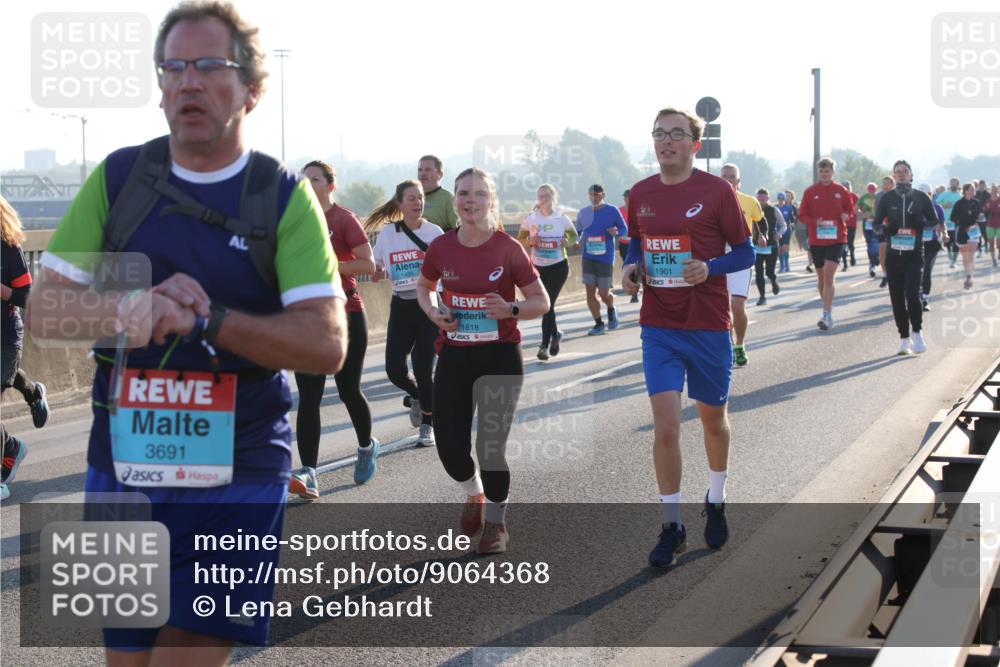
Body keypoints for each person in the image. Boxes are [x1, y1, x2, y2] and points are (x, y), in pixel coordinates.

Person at [28, 2, 347, 661]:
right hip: (121, 460)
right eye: (172, 66)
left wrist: (210, 320)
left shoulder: (282, 197)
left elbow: (326, 343)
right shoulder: (120, 179)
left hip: (241, 461)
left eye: (209, 65)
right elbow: (43, 311)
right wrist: (130, 308)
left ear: (253, 90)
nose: (187, 82)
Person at [622, 107, 753, 569]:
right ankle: (671, 524)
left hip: (707, 322)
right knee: (666, 425)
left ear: (694, 145)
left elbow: (746, 251)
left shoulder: (716, 191)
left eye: (676, 133)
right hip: (659, 324)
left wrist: (709, 267)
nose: (666, 141)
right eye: (659, 133)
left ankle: (716, 496)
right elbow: (637, 241)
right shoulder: (640, 193)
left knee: (713, 421)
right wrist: (631, 267)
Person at [416, 167, 550, 554]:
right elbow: (424, 288)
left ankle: (496, 524)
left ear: (490, 200)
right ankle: (474, 493)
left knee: (490, 447)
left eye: (477, 194)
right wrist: (432, 313)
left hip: (499, 357)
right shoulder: (441, 247)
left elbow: (540, 302)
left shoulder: (508, 248)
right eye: (463, 194)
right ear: (454, 199)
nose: (469, 200)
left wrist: (509, 308)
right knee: (450, 449)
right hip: (455, 354)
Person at [290, 160, 377, 498]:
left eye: (314, 179)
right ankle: (309, 473)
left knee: (347, 389)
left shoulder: (343, 219)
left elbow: (368, 264)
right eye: (303, 180)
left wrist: (329, 265)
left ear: (330, 185)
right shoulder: (292, 221)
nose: (308, 185)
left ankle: (367, 446)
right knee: (309, 396)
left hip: (347, 312)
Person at [369, 179, 443, 447]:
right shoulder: (388, 234)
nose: (418, 203)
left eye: (421, 197)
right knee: (394, 370)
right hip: (401, 306)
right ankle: (420, 396)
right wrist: (376, 271)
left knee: (424, 368)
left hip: (428, 306)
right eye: (411, 198)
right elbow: (375, 263)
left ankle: (427, 424)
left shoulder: (434, 233)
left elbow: (448, 268)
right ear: (400, 204)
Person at [1, 196, 51, 501]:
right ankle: (11, 447)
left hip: (4, 337)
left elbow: (28, 296)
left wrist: (3, 291)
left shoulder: (8, 247)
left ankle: (1, 476)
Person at [873, 161, 939, 355]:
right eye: (897, 172)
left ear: (911, 175)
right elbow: (875, 225)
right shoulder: (886, 198)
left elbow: (934, 221)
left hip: (914, 254)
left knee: (912, 294)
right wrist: (887, 230)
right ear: (894, 176)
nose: (901, 175)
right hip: (893, 256)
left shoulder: (921, 197)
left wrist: (922, 224)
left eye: (904, 172)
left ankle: (917, 332)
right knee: (897, 299)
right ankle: (904, 338)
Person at [517, 184, 576, 360]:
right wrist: (530, 241)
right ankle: (555, 334)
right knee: (547, 304)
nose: (543, 199)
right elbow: (520, 239)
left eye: (547, 196)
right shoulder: (531, 218)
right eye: (541, 196)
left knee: (547, 304)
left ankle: (543, 345)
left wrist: (568, 242)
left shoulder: (561, 219)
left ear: (553, 198)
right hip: (538, 267)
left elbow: (574, 236)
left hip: (558, 266)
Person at [798, 157, 854, 330]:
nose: (824, 174)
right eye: (821, 171)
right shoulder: (810, 192)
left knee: (829, 275)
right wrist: (815, 222)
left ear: (832, 172)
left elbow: (850, 209)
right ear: (818, 173)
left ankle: (827, 315)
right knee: (821, 277)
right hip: (817, 240)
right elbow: (801, 215)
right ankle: (826, 307)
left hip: (837, 238)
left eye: (827, 171)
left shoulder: (841, 190)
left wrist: (846, 216)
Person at [719, 163, 763, 366]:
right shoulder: (712, 201)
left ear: (738, 181)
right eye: (724, 176)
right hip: (718, 258)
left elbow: (762, 222)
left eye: (732, 177)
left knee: (737, 305)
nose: (728, 180)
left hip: (740, 257)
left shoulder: (749, 202)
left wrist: (763, 235)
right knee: (721, 308)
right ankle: (727, 346)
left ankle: (740, 343)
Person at [575, 184, 627, 335]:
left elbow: (624, 229)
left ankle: (611, 309)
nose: (594, 197)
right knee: (590, 293)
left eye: (597, 195)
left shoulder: (612, 211)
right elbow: (577, 232)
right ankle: (598, 323)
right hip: (588, 257)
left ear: (603, 195)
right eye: (591, 194)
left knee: (604, 293)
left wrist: (616, 231)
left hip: (605, 257)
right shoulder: (583, 213)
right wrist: (577, 241)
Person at [917, 183, 948, 311]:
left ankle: (925, 298)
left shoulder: (937, 208)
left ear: (931, 194)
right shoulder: (913, 208)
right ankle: (916, 295)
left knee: (927, 270)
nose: (925, 198)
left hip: (932, 244)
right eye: (921, 195)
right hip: (916, 244)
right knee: (917, 271)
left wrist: (945, 234)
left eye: (927, 195)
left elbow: (942, 224)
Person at [753, 188, 782, 306]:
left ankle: (773, 281)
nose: (761, 201)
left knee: (769, 272)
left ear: (768, 199)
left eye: (763, 199)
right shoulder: (753, 210)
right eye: (759, 199)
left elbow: (783, 224)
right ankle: (762, 297)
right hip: (757, 245)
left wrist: (779, 234)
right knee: (758, 272)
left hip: (771, 245)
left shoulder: (774, 210)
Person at [951, 183, 982, 289]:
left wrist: (980, 217)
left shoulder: (976, 202)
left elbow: (979, 215)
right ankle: (967, 274)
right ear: (965, 191)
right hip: (962, 232)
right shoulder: (959, 203)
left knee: (971, 256)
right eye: (972, 189)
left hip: (973, 231)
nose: (974, 191)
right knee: (965, 257)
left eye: (974, 189)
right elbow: (953, 218)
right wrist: (963, 223)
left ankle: (969, 277)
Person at [417, 155, 460, 231]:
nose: (423, 173)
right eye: (420, 170)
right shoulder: (411, 198)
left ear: (440, 174)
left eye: (428, 170)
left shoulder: (449, 199)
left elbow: (458, 230)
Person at [935, 177, 962, 268]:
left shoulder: (960, 195)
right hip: (946, 222)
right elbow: (936, 203)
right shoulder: (945, 194)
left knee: (956, 242)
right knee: (948, 242)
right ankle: (950, 256)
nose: (953, 185)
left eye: (955, 183)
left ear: (958, 184)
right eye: (952, 183)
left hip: (957, 222)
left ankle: (954, 260)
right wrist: (944, 205)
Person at [619, 190, 639, 302]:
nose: (627, 199)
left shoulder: (638, 209)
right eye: (625, 197)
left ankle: (634, 293)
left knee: (634, 267)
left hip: (635, 243)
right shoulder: (620, 210)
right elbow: (614, 224)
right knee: (627, 266)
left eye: (629, 197)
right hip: (623, 243)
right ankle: (633, 288)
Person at [875, 176, 895, 287]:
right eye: (884, 183)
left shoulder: (897, 194)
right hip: (883, 227)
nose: (886, 185)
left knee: (894, 253)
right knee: (882, 252)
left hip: (895, 228)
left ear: (892, 184)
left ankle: (894, 274)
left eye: (888, 183)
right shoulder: (879, 195)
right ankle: (885, 275)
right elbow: (876, 210)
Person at [857, 182, 879, 277]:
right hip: (867, 223)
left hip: (877, 223)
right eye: (870, 191)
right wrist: (863, 214)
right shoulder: (863, 198)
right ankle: (872, 262)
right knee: (869, 243)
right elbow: (855, 210)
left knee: (876, 242)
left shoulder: (878, 197)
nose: (872, 193)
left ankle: (875, 260)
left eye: (873, 191)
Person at [840, 180, 860, 270]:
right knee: (843, 243)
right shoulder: (838, 196)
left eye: (848, 186)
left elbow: (860, 208)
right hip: (841, 224)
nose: (846, 187)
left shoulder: (854, 196)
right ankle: (845, 264)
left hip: (852, 223)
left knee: (850, 243)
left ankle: (852, 255)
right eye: (844, 186)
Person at [776, 191, 796, 273]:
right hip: (778, 231)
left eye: (782, 198)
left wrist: (792, 226)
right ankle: (782, 266)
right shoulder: (775, 208)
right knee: (780, 249)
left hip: (787, 231)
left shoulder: (788, 208)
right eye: (779, 199)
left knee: (785, 248)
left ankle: (787, 265)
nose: (781, 200)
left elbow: (792, 219)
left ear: (784, 199)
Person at [986, 184, 1000, 267]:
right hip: (990, 225)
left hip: (999, 225)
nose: (994, 191)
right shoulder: (988, 201)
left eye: (995, 189)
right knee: (991, 244)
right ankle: (993, 260)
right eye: (992, 190)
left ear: (998, 190)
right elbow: (984, 211)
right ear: (990, 191)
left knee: (999, 243)